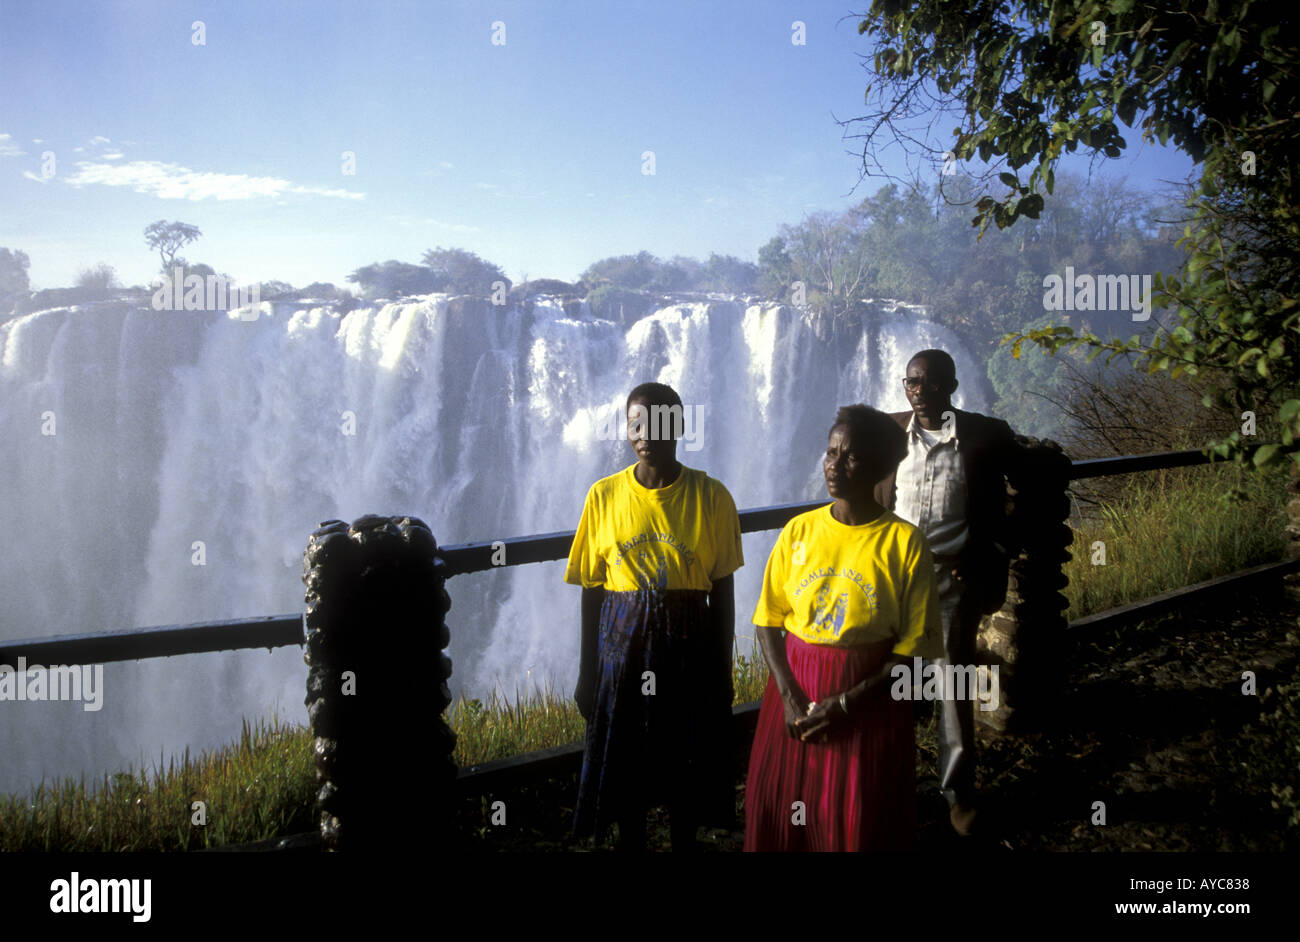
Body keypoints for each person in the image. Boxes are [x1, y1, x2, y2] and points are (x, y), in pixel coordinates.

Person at [744, 404, 944, 852]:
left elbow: (911, 652)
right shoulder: (799, 531)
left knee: (855, 816)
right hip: (791, 695)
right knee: (786, 808)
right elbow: (768, 621)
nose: (835, 465)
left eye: (851, 456)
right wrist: (792, 697)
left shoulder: (905, 544)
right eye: (831, 452)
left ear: (883, 465)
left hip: (868, 705)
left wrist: (845, 703)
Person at [565, 382, 743, 851]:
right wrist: (587, 674)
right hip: (621, 657)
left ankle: (684, 841)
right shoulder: (603, 497)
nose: (646, 434)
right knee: (627, 766)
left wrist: (722, 672)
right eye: (635, 423)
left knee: (686, 762)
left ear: (680, 427)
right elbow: (591, 592)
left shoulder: (712, 497)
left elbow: (723, 592)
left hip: (689, 652)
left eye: (659, 422)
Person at [874, 348, 1021, 836]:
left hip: (951, 580)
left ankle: (959, 795)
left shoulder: (985, 435)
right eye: (911, 382)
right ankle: (888, 788)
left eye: (930, 383)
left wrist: (990, 550)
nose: (918, 391)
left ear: (950, 387)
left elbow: (1031, 484)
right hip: (894, 580)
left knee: (952, 684)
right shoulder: (890, 433)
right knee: (886, 683)